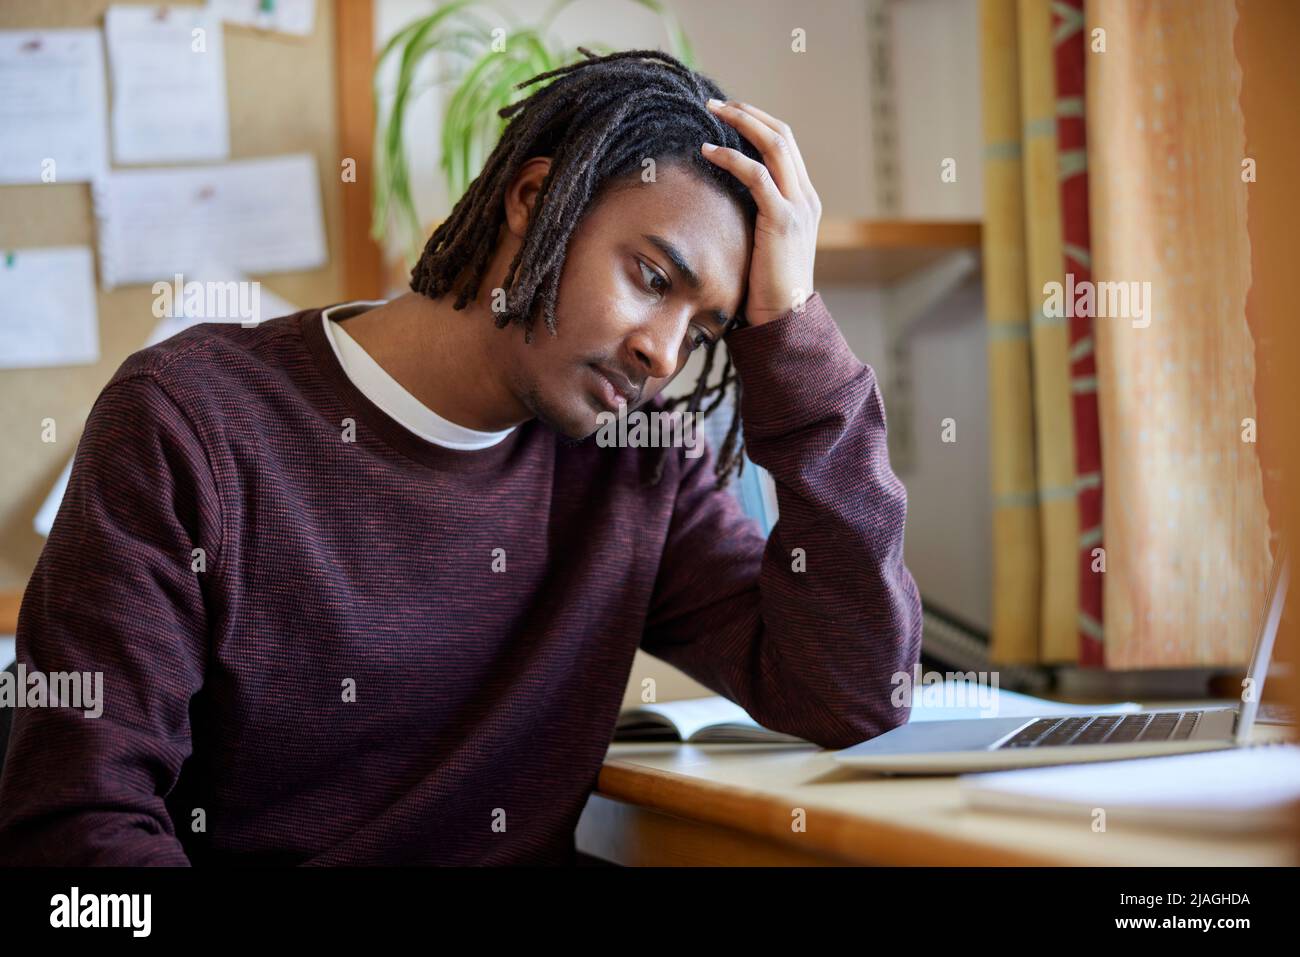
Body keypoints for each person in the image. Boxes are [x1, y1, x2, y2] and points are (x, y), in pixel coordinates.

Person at [0, 48, 921, 865]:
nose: (664, 355)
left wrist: (793, 337)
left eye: (709, 328)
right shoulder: (191, 422)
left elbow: (851, 691)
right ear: (534, 200)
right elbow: (76, 826)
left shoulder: (637, 464)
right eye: (650, 278)